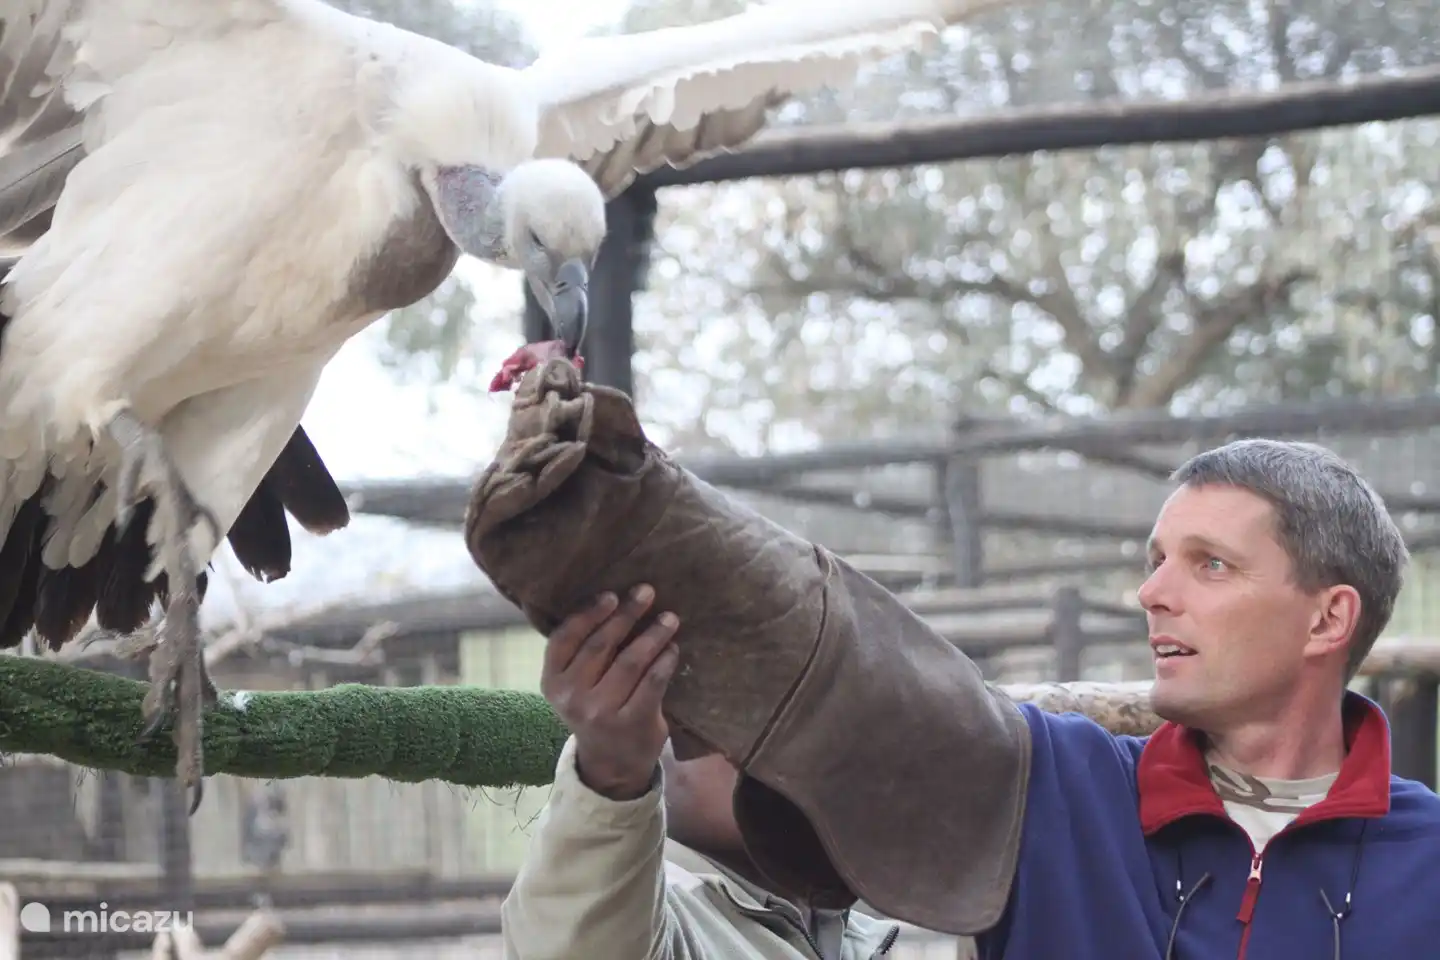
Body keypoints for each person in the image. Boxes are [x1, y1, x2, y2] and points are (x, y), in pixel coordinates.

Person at [521, 438, 1440, 958]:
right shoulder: (1048, 788)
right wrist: (639, 518)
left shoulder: (1426, 861)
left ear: (1329, 619)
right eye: (1156, 559)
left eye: (1211, 565)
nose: (1152, 592)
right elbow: (846, 665)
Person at [499, 584, 911, 960]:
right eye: (723, 707)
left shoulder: (857, 939)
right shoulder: (659, 921)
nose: (766, 744)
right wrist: (611, 774)